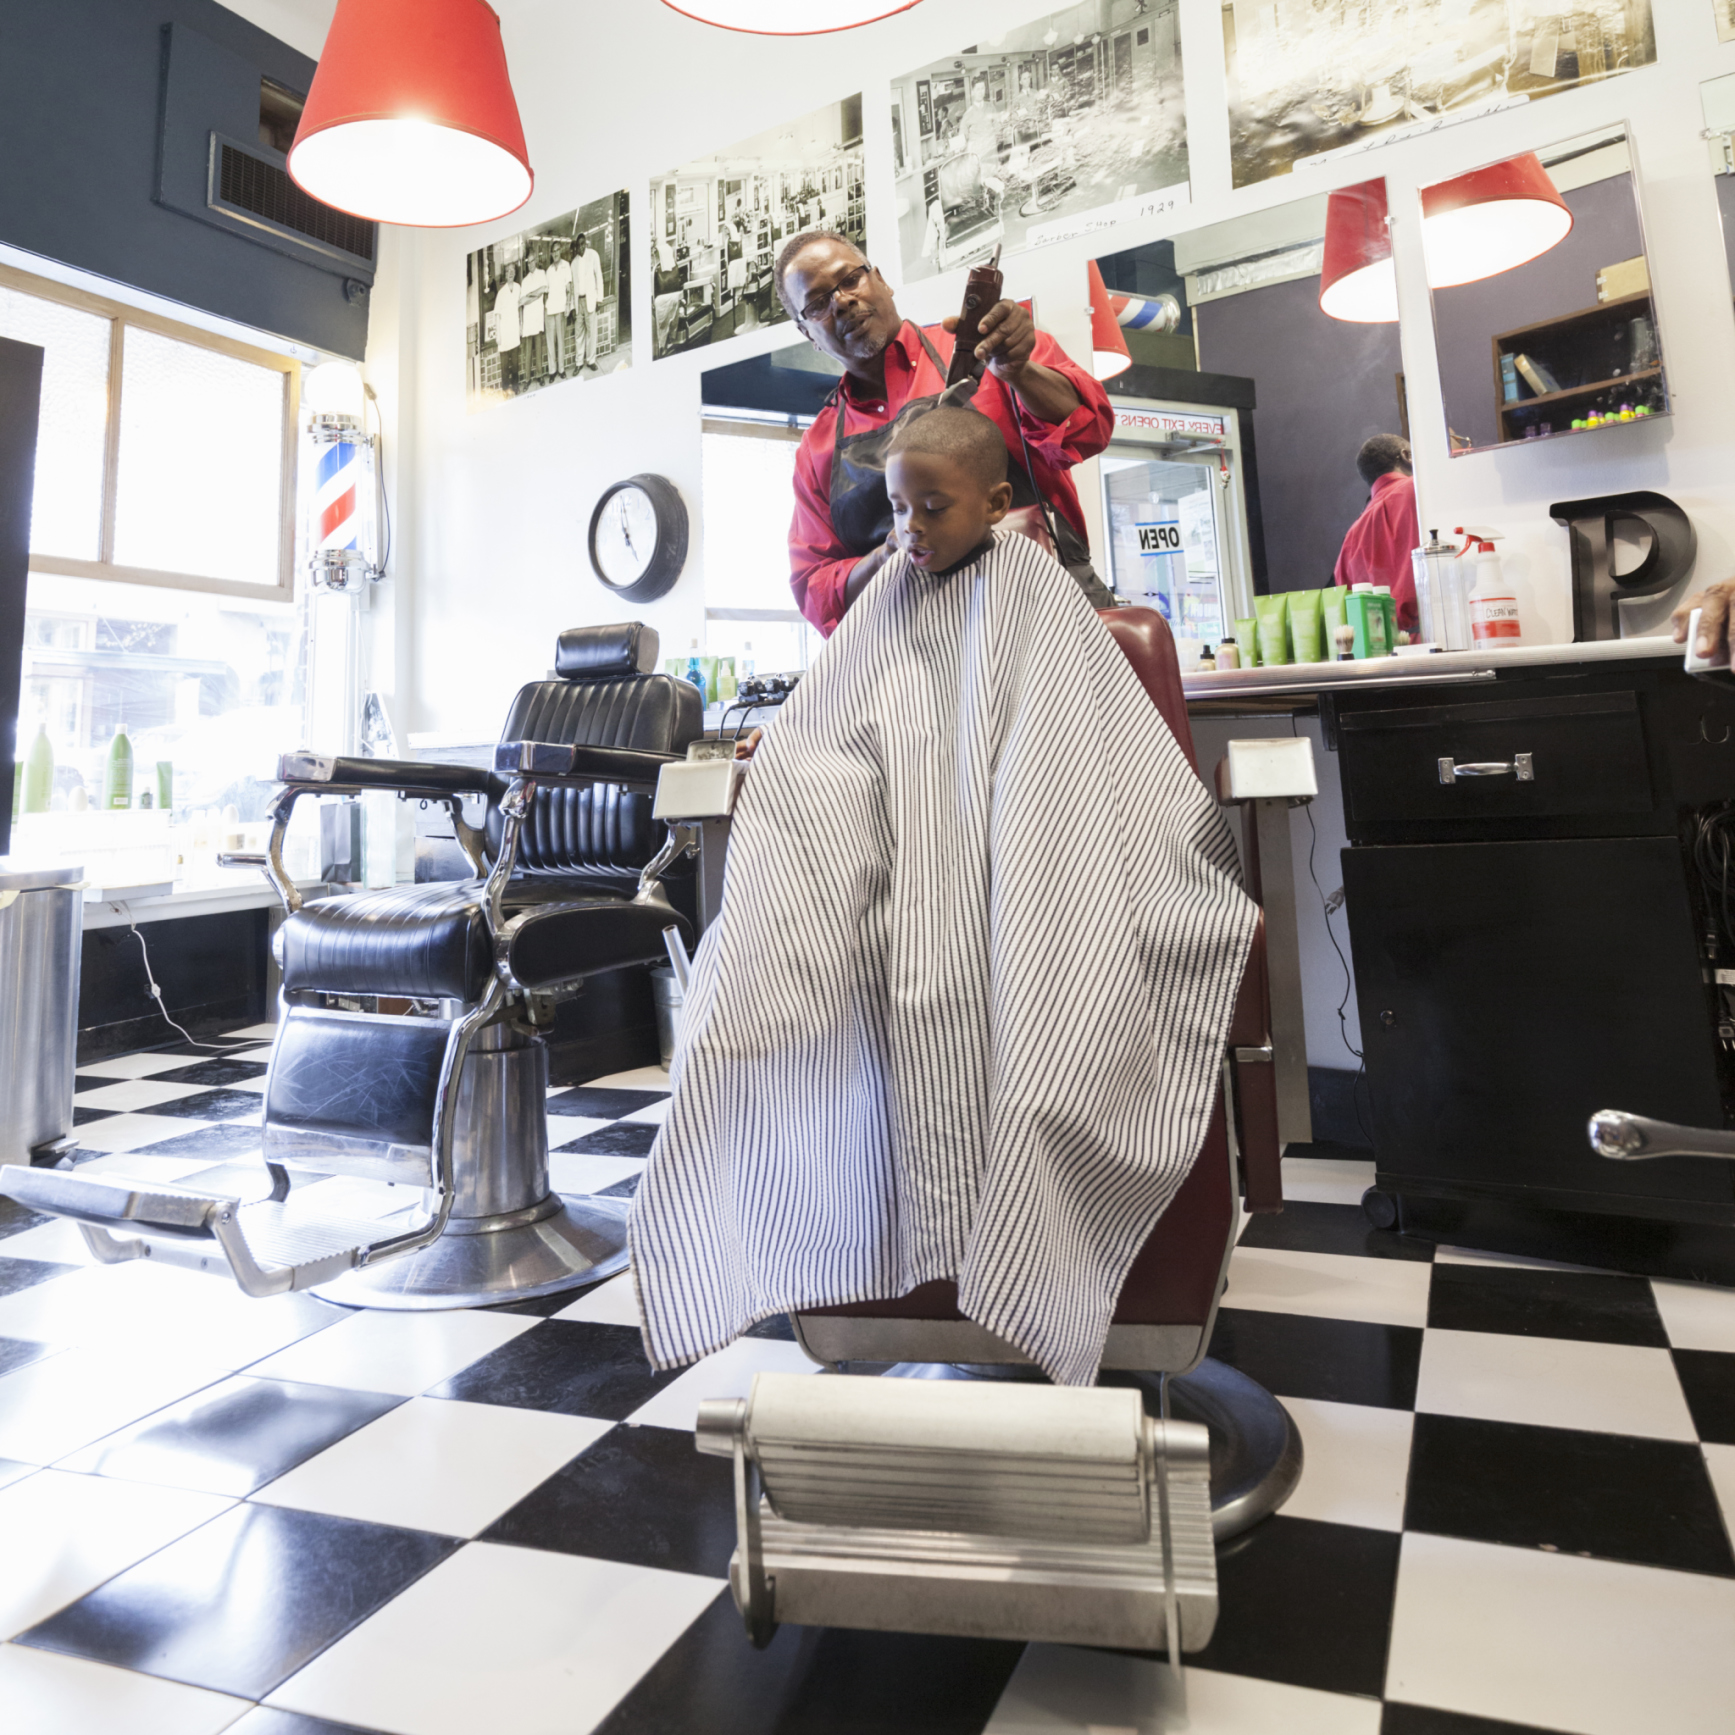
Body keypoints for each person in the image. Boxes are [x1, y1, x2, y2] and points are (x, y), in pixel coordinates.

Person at [630, 406, 1257, 1387]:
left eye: (933, 508)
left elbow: (1063, 754)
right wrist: (789, 747)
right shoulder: (884, 599)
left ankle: (1040, 1284)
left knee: (1045, 1022)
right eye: (895, 509)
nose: (910, 531)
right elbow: (837, 732)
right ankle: (875, 1272)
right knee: (743, 1009)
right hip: (899, 873)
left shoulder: (1037, 596)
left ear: (997, 504)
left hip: (1035, 866)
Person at [778, 230, 1114, 636]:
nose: (843, 301)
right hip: (920, 652)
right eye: (818, 304)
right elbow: (817, 591)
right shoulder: (816, 448)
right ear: (806, 333)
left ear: (881, 280)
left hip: (1051, 619)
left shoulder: (989, 350)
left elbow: (1091, 429)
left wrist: (1020, 373)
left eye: (851, 279)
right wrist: (888, 555)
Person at [1334, 433, 1420, 632]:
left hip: (1378, 650)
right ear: (1407, 456)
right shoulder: (1421, 490)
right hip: (1435, 639)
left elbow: (1346, 606)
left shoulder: (1350, 538)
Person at [572, 229, 606, 372]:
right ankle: (579, 362)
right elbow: (573, 285)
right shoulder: (573, 263)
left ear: (585, 244)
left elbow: (599, 276)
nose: (580, 248)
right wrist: (574, 307)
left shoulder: (593, 256)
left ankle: (591, 360)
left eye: (582, 244)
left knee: (591, 333)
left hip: (590, 300)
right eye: (578, 246)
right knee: (579, 333)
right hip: (578, 302)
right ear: (575, 247)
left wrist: (599, 299)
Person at [519, 246, 548, 386]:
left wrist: (530, 295)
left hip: (537, 318)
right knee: (528, 352)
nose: (530, 264)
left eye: (532, 261)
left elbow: (544, 289)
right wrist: (535, 295)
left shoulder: (542, 273)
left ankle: (540, 375)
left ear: (535, 260)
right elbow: (522, 301)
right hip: (528, 320)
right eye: (528, 262)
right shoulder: (524, 281)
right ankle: (527, 379)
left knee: (539, 348)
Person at [491, 262, 521, 397]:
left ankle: (515, 387)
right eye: (508, 270)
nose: (510, 273)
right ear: (505, 273)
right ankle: (504, 390)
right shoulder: (501, 293)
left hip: (514, 330)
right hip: (504, 332)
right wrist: (498, 334)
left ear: (515, 273)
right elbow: (496, 314)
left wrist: (520, 326)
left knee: (515, 363)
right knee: (504, 366)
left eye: (512, 270)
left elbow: (520, 309)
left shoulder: (518, 288)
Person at [545, 240, 573, 379]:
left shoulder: (566, 266)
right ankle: (552, 371)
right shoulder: (548, 270)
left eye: (557, 250)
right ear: (551, 253)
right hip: (550, 310)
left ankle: (561, 369)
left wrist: (568, 305)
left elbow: (569, 288)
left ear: (560, 251)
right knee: (551, 342)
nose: (555, 253)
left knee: (560, 340)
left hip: (561, 309)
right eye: (553, 251)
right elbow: (546, 291)